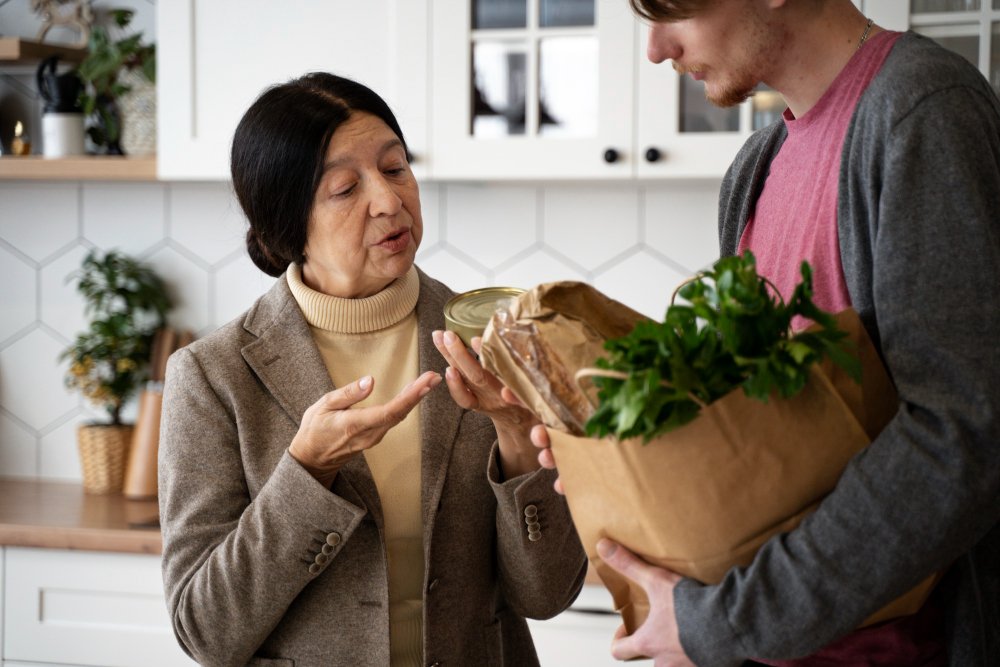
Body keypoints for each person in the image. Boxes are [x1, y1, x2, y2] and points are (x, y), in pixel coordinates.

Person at [530, 1, 1000, 665]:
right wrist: (630, 458)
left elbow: (961, 434)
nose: (656, 49)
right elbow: (764, 437)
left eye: (670, 9)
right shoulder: (755, 167)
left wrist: (721, 621)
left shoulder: (922, 110)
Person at [158, 72, 586, 667]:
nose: (389, 201)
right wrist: (307, 471)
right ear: (288, 221)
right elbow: (207, 634)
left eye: (395, 168)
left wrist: (517, 434)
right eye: (344, 188)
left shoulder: (497, 339)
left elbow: (547, 596)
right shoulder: (212, 377)